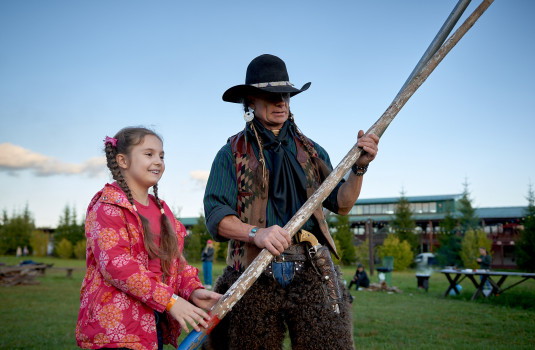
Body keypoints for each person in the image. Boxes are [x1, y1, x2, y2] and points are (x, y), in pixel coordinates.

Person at [203, 54, 379, 350]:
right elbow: (216, 216)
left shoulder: (312, 151)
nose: (281, 102)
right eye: (270, 96)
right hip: (251, 269)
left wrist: (359, 167)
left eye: (285, 94)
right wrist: (257, 233)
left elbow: (342, 203)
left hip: (312, 265)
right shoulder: (231, 153)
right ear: (250, 101)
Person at [76, 127, 221, 350]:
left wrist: (192, 290)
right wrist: (170, 300)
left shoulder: (162, 210)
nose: (158, 161)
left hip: (155, 321)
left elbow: (174, 263)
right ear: (122, 160)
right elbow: (117, 266)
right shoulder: (108, 207)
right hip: (118, 328)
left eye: (162, 156)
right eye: (149, 154)